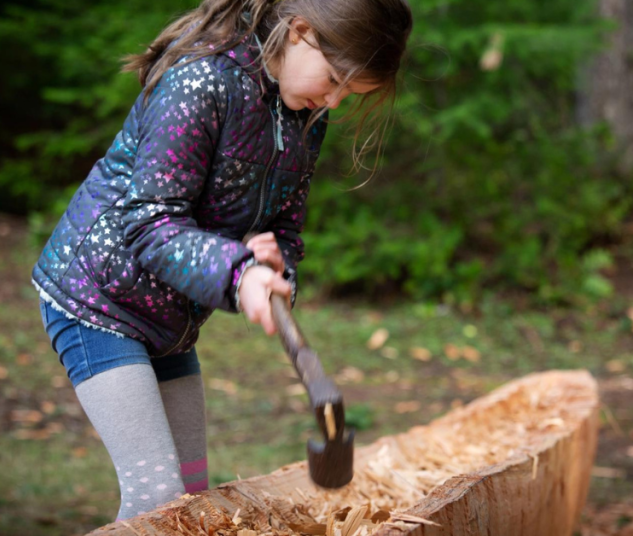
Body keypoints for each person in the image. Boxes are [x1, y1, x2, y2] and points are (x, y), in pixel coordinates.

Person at [31, 0, 412, 521]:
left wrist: (276, 270)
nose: (337, 102)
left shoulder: (304, 116)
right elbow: (148, 224)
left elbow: (283, 228)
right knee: (158, 503)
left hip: (172, 319)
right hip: (99, 302)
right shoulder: (202, 83)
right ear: (300, 31)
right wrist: (238, 275)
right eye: (335, 80)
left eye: (351, 93)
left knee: (190, 499)